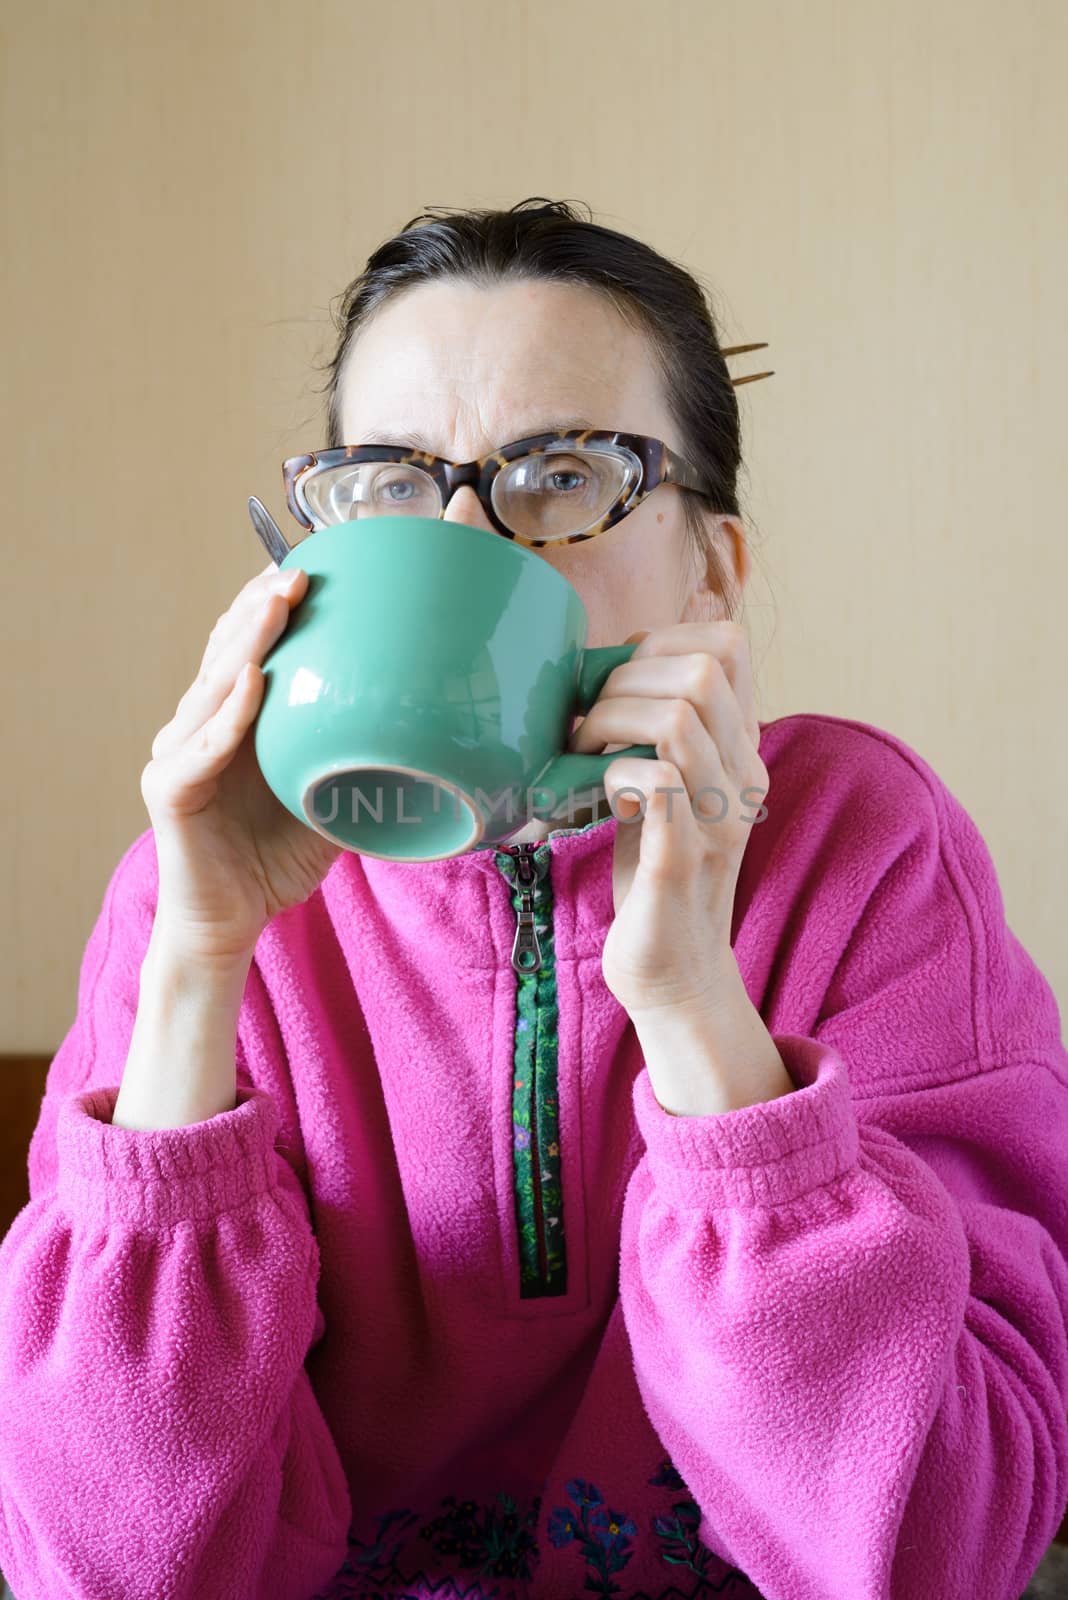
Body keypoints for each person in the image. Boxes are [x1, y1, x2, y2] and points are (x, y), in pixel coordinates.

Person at [0, 197, 1065, 1600]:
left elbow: (940, 1549)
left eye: (563, 472)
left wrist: (697, 1009)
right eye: (390, 483)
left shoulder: (861, 848)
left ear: (714, 569)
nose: (469, 540)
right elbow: (103, 1570)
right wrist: (200, 959)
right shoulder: (205, 895)